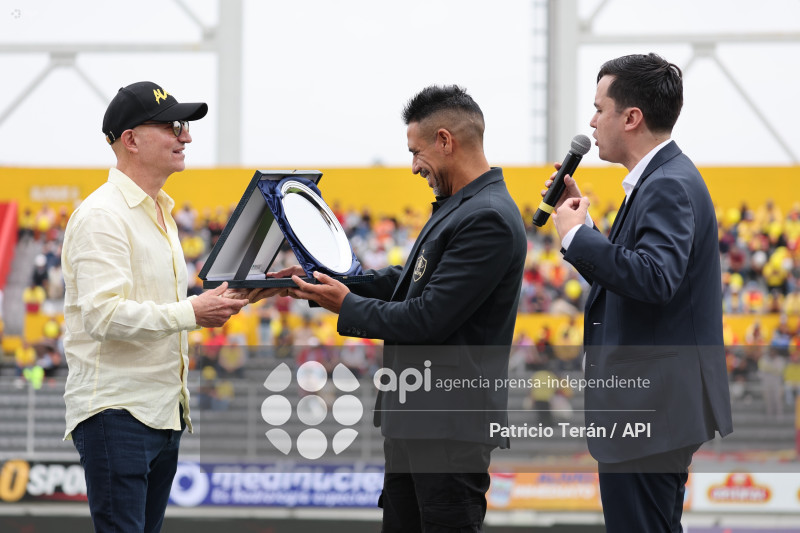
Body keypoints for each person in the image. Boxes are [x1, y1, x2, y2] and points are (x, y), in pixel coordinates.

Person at [281, 85, 527, 532]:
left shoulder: (487, 216)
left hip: (449, 428)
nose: (414, 166)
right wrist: (323, 282)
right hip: (420, 421)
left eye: (416, 152)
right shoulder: (461, 206)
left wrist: (346, 304)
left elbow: (427, 317)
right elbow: (406, 281)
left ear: (445, 140)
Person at [546, 54, 732, 532]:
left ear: (631, 118)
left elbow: (655, 278)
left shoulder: (666, 183)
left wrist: (576, 238)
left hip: (651, 410)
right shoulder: (660, 179)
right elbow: (636, 281)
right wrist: (584, 228)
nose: (591, 121)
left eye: (599, 108)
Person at [62, 81, 247, 533]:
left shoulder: (160, 212)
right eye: (172, 126)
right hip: (118, 410)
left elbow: (162, 308)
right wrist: (192, 312)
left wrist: (248, 292)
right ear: (131, 140)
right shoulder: (102, 215)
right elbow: (104, 316)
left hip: (160, 412)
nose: (186, 136)